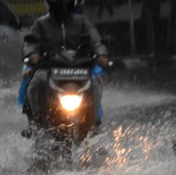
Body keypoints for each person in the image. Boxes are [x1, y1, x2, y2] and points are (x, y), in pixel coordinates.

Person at [18, 0, 108, 130]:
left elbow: (97, 42)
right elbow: (29, 44)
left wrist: (101, 54)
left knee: (95, 83)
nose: (61, 4)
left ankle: (94, 123)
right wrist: (32, 54)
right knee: (34, 83)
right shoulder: (41, 23)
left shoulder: (82, 22)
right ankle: (35, 123)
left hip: (80, 66)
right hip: (48, 66)